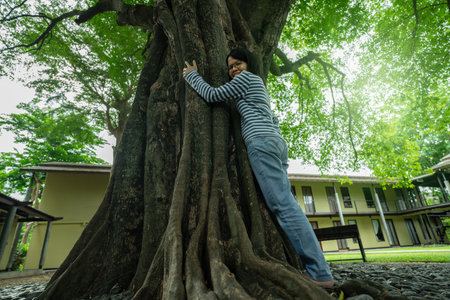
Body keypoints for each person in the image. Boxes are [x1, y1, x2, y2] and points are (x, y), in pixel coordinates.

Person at [183, 48, 334, 288]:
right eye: (230, 66)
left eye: (238, 63)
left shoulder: (246, 79)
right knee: (285, 202)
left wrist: (192, 75)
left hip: (262, 142)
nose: (234, 69)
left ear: (248, 64)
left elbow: (212, 96)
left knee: (283, 205)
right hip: (275, 141)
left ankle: (320, 274)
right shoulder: (258, 85)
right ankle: (318, 269)